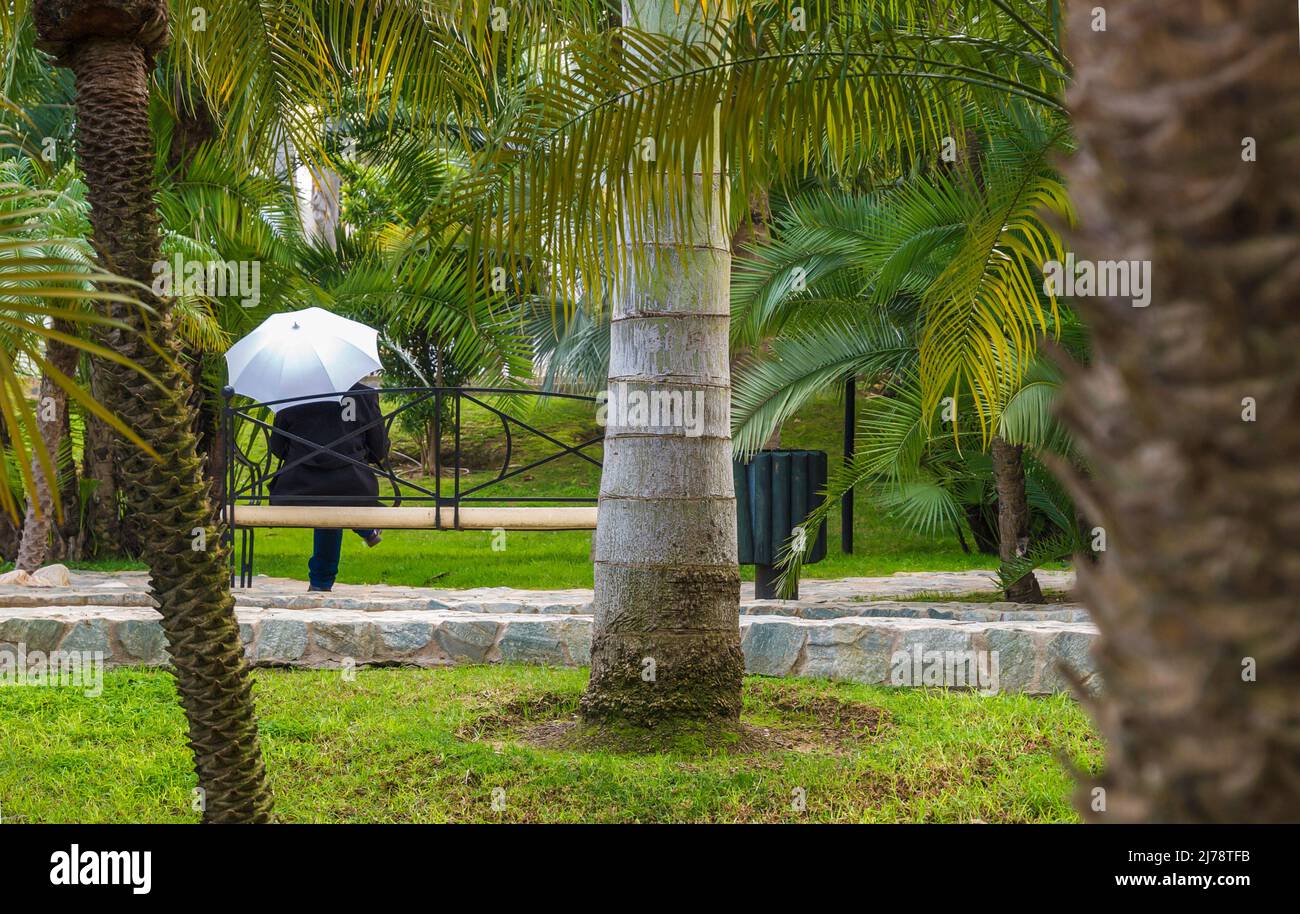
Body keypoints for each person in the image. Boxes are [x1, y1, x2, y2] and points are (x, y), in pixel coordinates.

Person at [268, 381, 390, 592]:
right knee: (334, 496)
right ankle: (323, 579)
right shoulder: (363, 394)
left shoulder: (292, 392)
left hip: (299, 486)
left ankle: (321, 582)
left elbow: (277, 448)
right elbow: (378, 449)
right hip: (353, 485)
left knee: (326, 497)